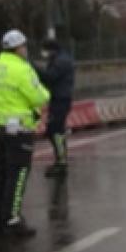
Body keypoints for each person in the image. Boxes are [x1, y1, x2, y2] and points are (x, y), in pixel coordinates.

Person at [0, 30, 50, 238]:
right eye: (24, 46)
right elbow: (39, 97)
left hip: (0, 127)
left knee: (1, 174)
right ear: (19, 48)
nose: (26, 50)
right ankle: (12, 219)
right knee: (18, 174)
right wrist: (45, 93)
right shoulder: (22, 69)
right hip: (20, 128)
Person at [37, 38, 75, 178]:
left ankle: (61, 162)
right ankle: (60, 160)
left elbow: (50, 77)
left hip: (60, 100)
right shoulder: (61, 59)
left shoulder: (60, 61)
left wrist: (35, 68)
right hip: (59, 99)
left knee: (56, 132)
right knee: (54, 131)